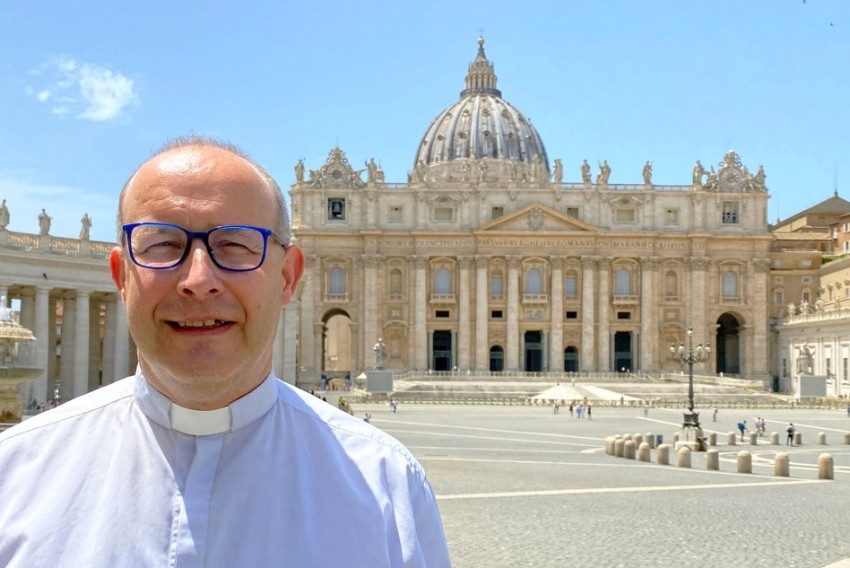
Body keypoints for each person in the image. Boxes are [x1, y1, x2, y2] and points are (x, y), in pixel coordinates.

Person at [0, 136, 450, 566]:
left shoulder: (390, 484)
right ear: (120, 276)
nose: (198, 279)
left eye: (234, 246)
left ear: (288, 277)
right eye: (162, 245)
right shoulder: (12, 472)